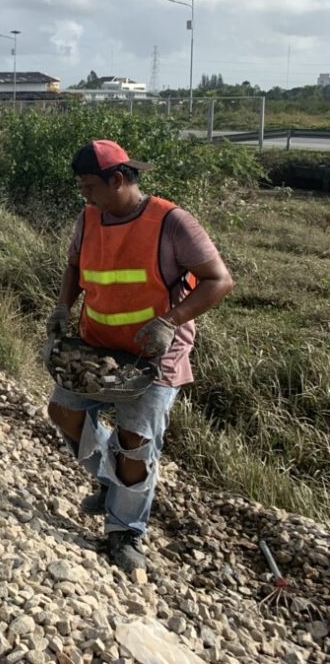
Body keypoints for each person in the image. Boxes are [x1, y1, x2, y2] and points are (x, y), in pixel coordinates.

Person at [45, 140, 234, 574]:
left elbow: (219, 280)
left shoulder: (171, 222)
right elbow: (74, 266)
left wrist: (170, 321)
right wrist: (63, 307)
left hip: (153, 355)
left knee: (135, 443)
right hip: (96, 348)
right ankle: (110, 482)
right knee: (64, 411)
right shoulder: (89, 218)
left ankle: (125, 531)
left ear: (117, 179)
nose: (84, 195)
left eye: (90, 186)